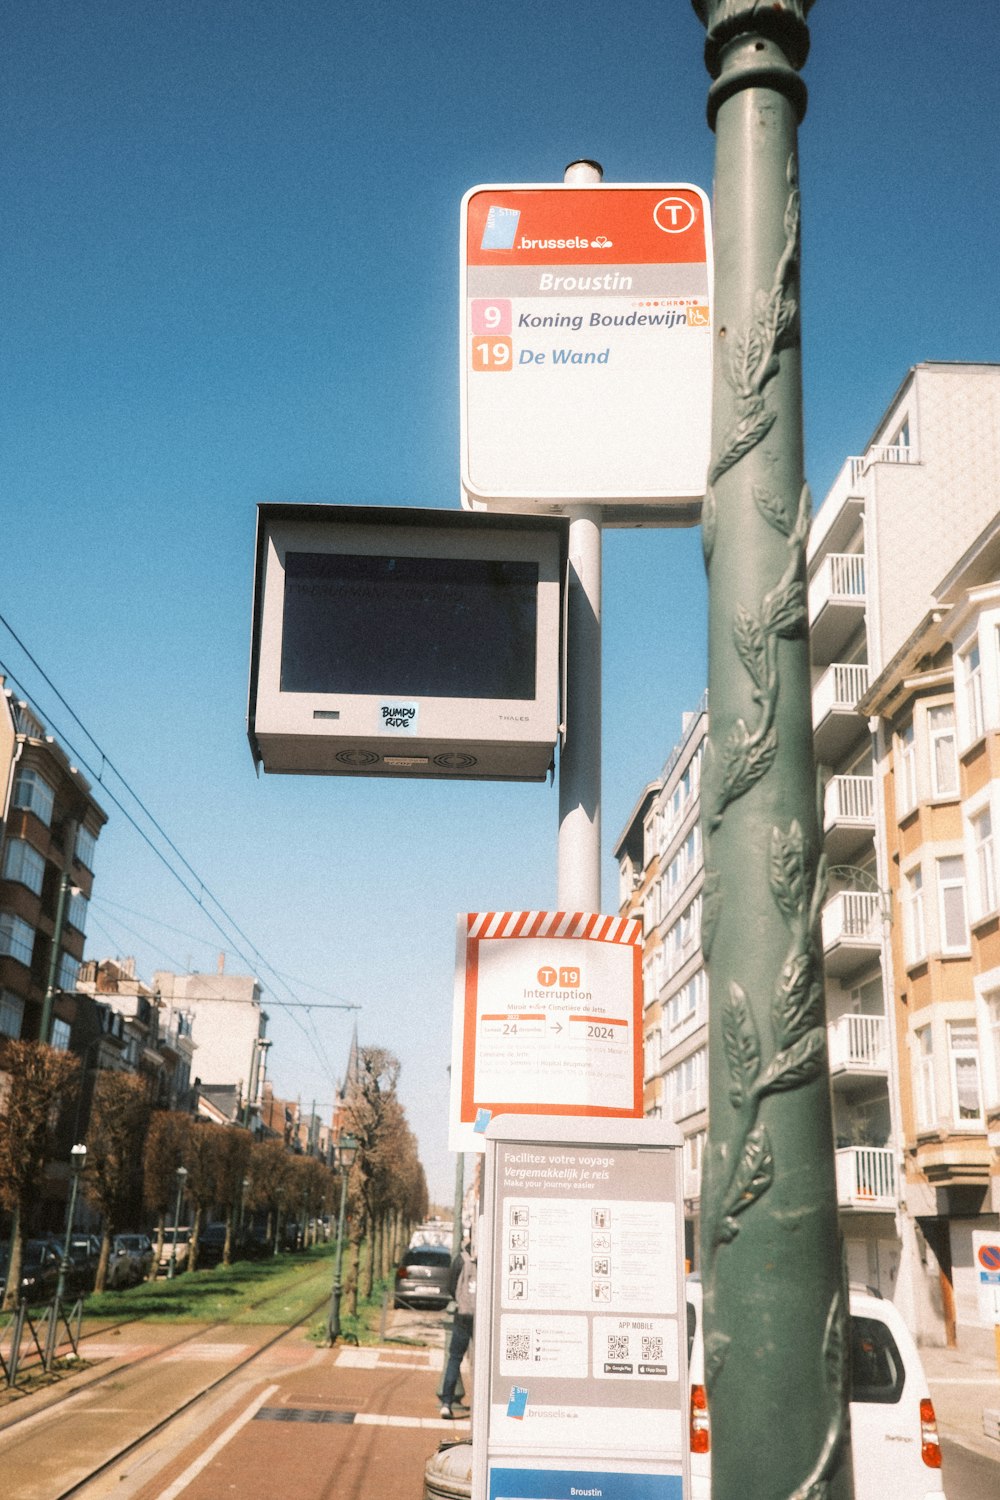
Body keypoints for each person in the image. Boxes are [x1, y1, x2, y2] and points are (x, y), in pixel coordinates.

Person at [440, 1237, 476, 1418]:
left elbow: (451, 1286)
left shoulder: (461, 1259)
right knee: (483, 1362)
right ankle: (484, 1404)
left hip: (462, 1316)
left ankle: (446, 1402)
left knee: (454, 1359)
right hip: (482, 1318)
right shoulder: (490, 1257)